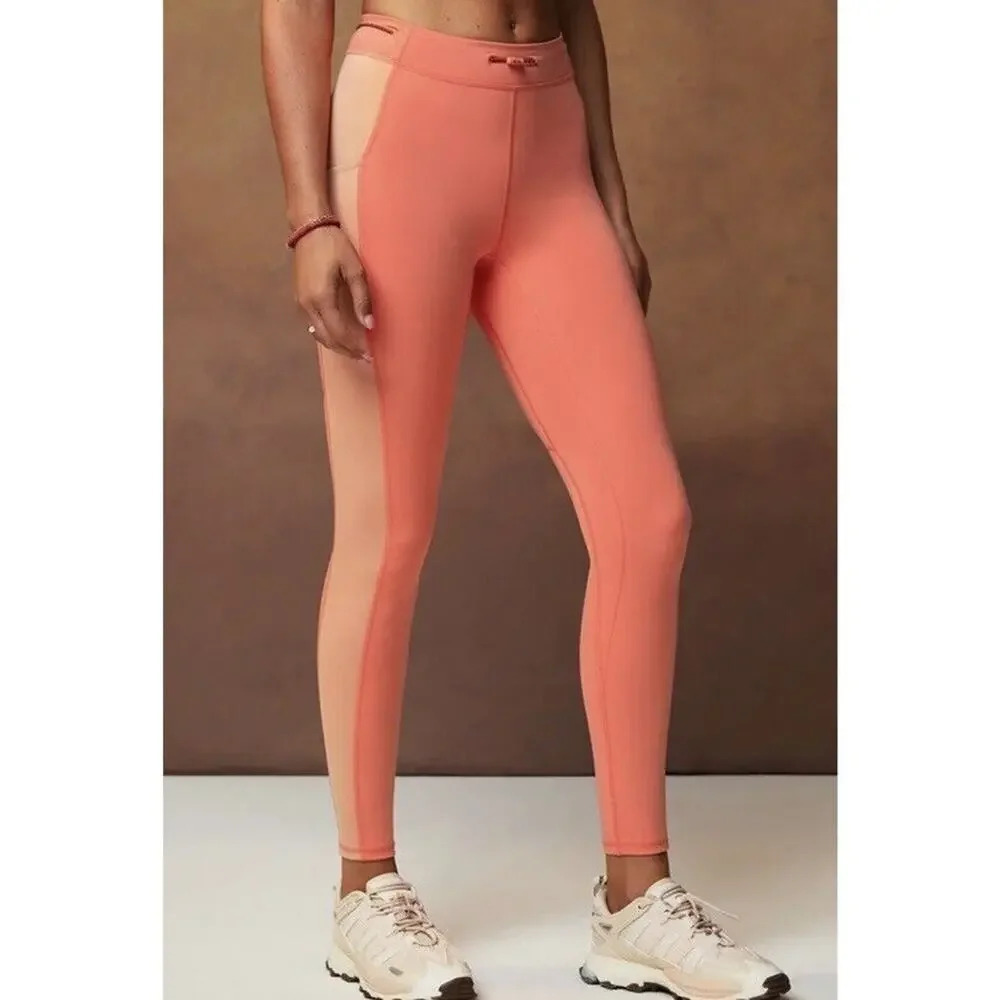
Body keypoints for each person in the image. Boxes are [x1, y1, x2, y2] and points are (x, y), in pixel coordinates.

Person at [261, 2, 790, 998]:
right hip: (405, 127)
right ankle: (364, 888)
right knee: (388, 528)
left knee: (648, 517)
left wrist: (611, 199)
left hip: (550, 145)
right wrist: (310, 215)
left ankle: (635, 898)